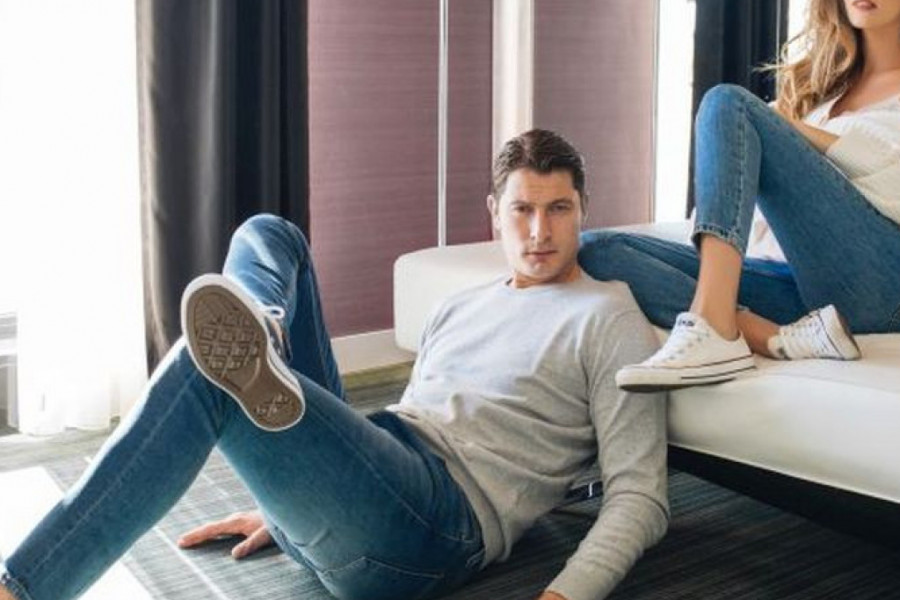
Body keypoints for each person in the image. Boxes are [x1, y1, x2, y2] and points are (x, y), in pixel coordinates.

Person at [0, 129, 668, 600]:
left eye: (559, 210)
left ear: (584, 211)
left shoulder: (608, 316)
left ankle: (23, 589)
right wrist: (296, 496)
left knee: (203, 371)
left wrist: (562, 595)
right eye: (522, 210)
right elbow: (421, 414)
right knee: (271, 233)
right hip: (379, 472)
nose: (539, 231)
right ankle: (262, 321)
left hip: (437, 524)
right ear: (494, 214)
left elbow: (641, 497)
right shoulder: (461, 304)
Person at [579, 0, 900, 392]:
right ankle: (771, 338)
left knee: (726, 102)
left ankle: (712, 327)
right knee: (597, 250)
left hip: (884, 285)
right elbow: (734, 202)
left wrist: (783, 128)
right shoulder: (819, 93)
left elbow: (893, 180)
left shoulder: (792, 117)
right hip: (807, 285)